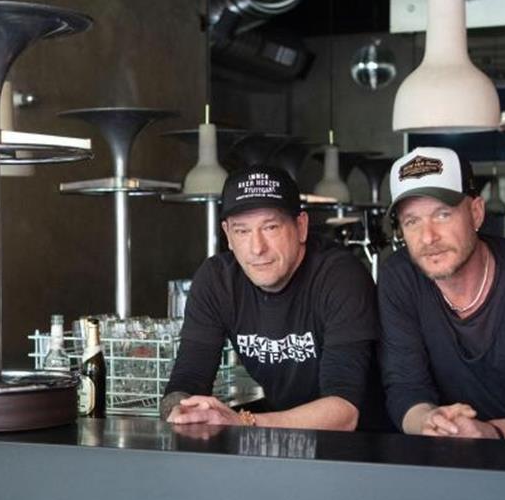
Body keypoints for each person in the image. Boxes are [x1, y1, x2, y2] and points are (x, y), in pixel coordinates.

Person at [378, 147, 505, 439]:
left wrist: (493, 432)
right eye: (412, 221)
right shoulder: (400, 277)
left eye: (442, 214)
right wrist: (430, 420)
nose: (428, 237)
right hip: (443, 452)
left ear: (476, 213)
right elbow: (404, 387)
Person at [162, 165, 386, 431]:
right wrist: (181, 410)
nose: (257, 248)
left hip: (367, 448)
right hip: (285, 440)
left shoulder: (339, 276)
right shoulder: (217, 281)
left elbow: (345, 411)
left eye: (270, 227)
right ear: (228, 235)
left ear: (301, 227)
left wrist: (242, 422)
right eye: (242, 231)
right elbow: (188, 379)